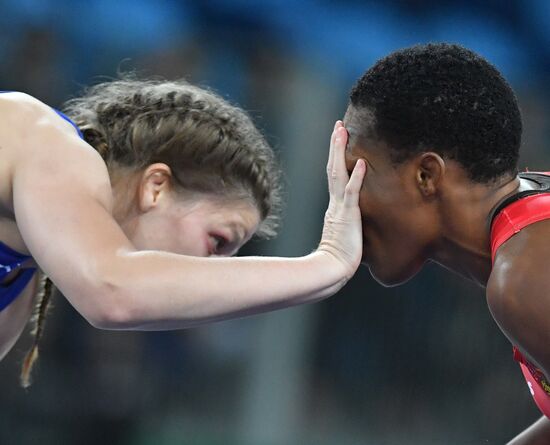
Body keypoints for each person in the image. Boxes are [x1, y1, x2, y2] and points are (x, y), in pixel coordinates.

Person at [0, 79, 366, 387]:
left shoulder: (19, 279)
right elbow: (112, 292)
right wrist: (327, 261)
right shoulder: (46, 140)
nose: (213, 270)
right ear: (155, 187)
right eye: (218, 242)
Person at [343, 43, 549, 444]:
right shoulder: (530, 229)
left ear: (427, 175)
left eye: (353, 177)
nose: (341, 207)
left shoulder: (523, 280)